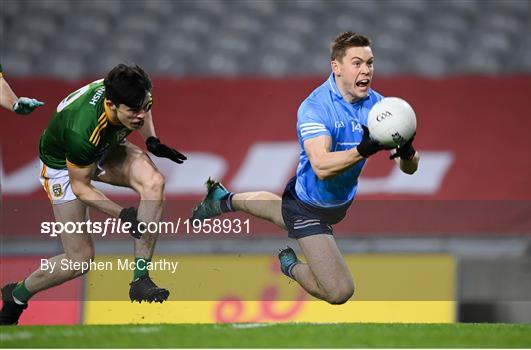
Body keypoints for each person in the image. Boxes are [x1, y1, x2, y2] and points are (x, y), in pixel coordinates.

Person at [190, 32, 419, 305]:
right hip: (308, 208)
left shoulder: (381, 108)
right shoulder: (315, 108)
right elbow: (321, 166)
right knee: (339, 291)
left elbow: (410, 169)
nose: (366, 70)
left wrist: (406, 150)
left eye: (370, 63)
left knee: (279, 211)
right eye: (357, 63)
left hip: (334, 203)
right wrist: (363, 149)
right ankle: (290, 266)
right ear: (336, 66)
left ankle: (223, 200)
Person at [0, 64, 186, 325]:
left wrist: (152, 140)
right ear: (111, 104)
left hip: (106, 146)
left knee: (154, 182)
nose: (141, 115)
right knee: (80, 260)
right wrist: (122, 214)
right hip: (64, 165)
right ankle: (16, 295)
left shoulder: (134, 94)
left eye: (144, 106)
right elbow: (81, 186)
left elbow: (143, 109)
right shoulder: (82, 131)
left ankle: (140, 279)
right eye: (134, 110)